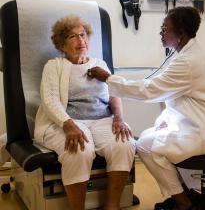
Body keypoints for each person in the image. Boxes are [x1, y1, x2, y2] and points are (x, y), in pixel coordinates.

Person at [88, 6, 205, 210]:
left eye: (165, 29)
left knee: (145, 144)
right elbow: (180, 98)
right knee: (151, 134)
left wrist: (108, 78)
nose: (161, 33)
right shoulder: (188, 55)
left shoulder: (187, 62)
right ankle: (187, 194)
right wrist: (163, 123)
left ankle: (184, 202)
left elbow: (149, 90)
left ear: (180, 34)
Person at [34, 15, 136, 210]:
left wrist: (119, 118)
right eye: (73, 37)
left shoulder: (100, 64)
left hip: (101, 119)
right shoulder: (54, 66)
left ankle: (112, 206)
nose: (81, 40)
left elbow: (114, 93)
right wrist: (68, 124)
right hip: (69, 120)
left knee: (125, 143)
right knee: (79, 150)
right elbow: (50, 100)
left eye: (83, 35)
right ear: (62, 45)